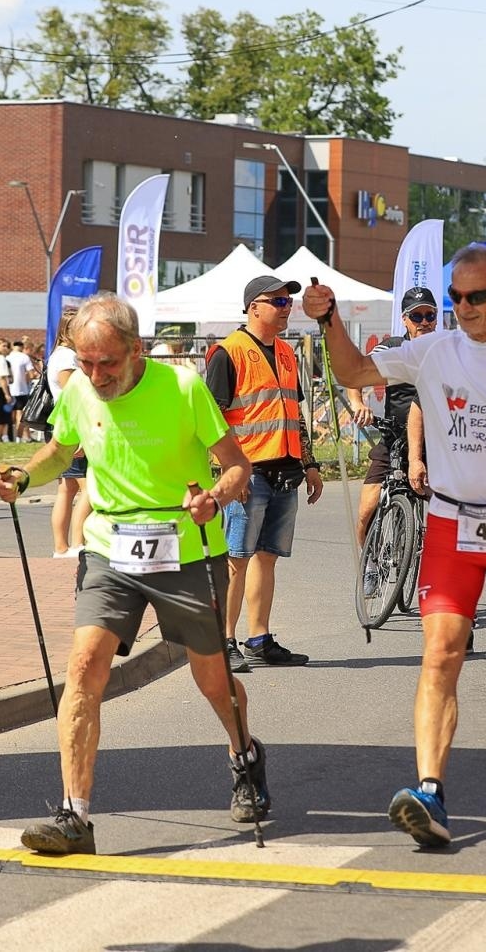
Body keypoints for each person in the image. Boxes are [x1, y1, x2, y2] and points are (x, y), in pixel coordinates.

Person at [302, 244, 486, 848]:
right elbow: (355, 372)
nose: (463, 308)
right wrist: (329, 320)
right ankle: (429, 789)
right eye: (454, 297)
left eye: (476, 297)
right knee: (440, 652)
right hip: (451, 524)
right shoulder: (433, 349)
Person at [0, 294, 263, 856]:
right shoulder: (77, 390)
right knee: (85, 667)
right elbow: (57, 451)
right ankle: (74, 815)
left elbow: (238, 466)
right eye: (86, 363)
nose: (96, 375)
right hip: (109, 549)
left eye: (107, 363)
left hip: (186, 548)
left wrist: (214, 498)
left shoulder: (184, 388)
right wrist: (22, 477)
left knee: (212, 680)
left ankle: (245, 756)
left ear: (135, 349)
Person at [204, 275, 323, 672]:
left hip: (286, 471)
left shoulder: (287, 353)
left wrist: (309, 464)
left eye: (289, 301)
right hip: (249, 474)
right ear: (254, 306)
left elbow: (294, 414)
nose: (287, 306)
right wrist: (230, 475)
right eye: (278, 301)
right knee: (236, 559)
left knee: (267, 558)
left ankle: (259, 637)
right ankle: (224, 640)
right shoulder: (228, 352)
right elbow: (213, 421)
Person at [355, 287, 438, 550]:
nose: (424, 322)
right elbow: (358, 372)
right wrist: (358, 403)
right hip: (393, 439)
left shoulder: (444, 350)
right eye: (417, 316)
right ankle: (369, 565)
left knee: (452, 509)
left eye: (429, 315)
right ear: (405, 319)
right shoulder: (393, 348)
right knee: (367, 508)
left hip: (435, 444)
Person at [47, 309, 91, 557]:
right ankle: (76, 543)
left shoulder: (61, 355)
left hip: (66, 427)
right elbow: (74, 397)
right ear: (68, 331)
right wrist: (83, 436)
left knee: (67, 489)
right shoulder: (66, 358)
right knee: (91, 491)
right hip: (74, 428)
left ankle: (62, 547)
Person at [8, 338, 36, 441]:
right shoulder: (24, 357)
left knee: (10, 414)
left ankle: (9, 436)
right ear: (22, 347)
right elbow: (32, 374)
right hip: (21, 389)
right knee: (20, 414)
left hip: (9, 389)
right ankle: (18, 437)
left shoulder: (7, 357)